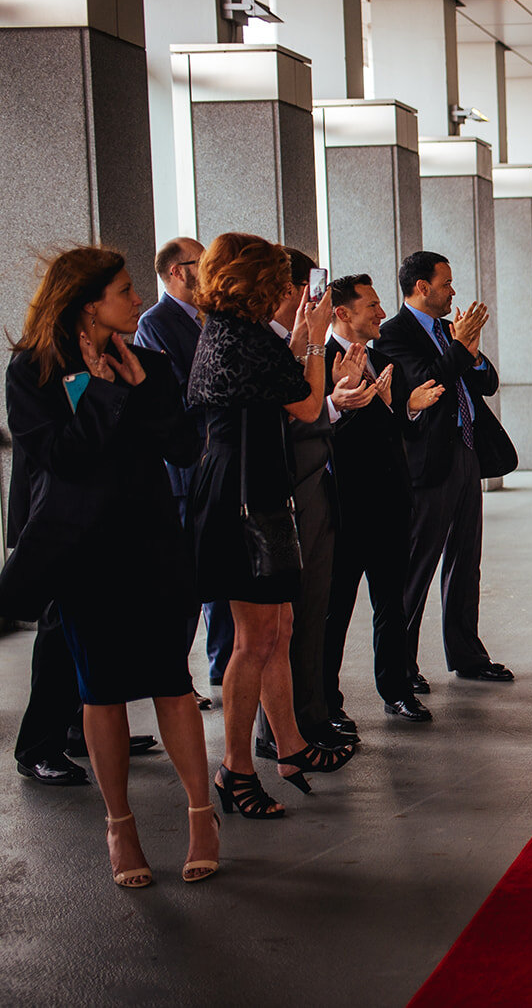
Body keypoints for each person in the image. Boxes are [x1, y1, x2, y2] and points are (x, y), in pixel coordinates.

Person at [0, 247, 218, 885]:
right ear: (89, 302)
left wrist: (144, 388)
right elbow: (58, 458)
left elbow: (184, 446)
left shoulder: (147, 361)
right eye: (125, 290)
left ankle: (201, 814)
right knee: (100, 691)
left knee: (171, 684)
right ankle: (120, 826)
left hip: (152, 544)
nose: (136, 300)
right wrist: (99, 390)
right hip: (85, 554)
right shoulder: (33, 371)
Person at [187, 233, 355, 819]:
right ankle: (235, 771)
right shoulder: (240, 336)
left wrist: (303, 343)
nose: (289, 289)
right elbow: (307, 406)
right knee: (252, 639)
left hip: (256, 488)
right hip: (239, 497)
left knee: (279, 626)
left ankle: (290, 748)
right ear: (256, 282)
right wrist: (311, 343)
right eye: (281, 280)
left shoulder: (235, 332)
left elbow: (284, 399)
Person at [372, 251, 517, 686]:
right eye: (446, 283)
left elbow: (487, 383)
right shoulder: (393, 334)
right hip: (428, 459)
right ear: (422, 287)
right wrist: (459, 347)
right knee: (418, 564)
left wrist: (470, 353)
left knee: (465, 560)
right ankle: (403, 666)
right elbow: (427, 382)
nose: (453, 291)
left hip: (467, 452)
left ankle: (467, 655)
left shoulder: (448, 330)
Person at [323, 273, 444, 722]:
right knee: (335, 611)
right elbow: (324, 434)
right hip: (347, 507)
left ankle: (396, 690)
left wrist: (405, 406)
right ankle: (327, 704)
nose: (380, 312)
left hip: (393, 502)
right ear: (343, 313)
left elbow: (398, 433)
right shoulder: (322, 362)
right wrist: (346, 402)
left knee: (391, 603)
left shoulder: (380, 357)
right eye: (371, 305)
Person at [253, 248, 354, 754]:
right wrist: (332, 398)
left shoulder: (289, 344)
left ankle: (311, 715)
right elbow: (300, 413)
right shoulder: (264, 345)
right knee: (283, 625)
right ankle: (283, 729)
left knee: (313, 613)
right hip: (288, 490)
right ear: (288, 291)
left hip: (316, 483)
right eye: (310, 288)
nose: (316, 298)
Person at [135, 236, 233, 703]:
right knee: (183, 583)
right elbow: (174, 394)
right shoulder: (154, 323)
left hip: (215, 461)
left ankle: (225, 666)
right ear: (178, 271)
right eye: (202, 262)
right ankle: (172, 677)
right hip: (187, 468)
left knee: (215, 571)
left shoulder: (207, 316)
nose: (210, 269)